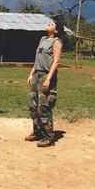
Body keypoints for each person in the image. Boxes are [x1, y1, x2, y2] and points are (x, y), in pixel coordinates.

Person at [25, 20, 64, 148]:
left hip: (47, 75)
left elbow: (56, 61)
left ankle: (49, 137)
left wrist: (48, 79)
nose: (49, 24)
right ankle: (37, 133)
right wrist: (31, 74)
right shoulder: (42, 39)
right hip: (37, 74)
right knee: (33, 106)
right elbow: (37, 59)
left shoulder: (56, 42)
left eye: (52, 24)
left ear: (56, 30)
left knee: (43, 106)